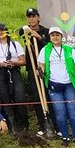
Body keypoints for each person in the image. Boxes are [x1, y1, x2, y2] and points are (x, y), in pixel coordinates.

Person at [40, 26, 75, 146]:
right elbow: (41, 65)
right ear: (50, 37)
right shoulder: (45, 50)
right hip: (54, 85)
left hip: (69, 84)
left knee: (73, 111)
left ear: (61, 37)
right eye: (52, 35)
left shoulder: (70, 50)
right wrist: (40, 71)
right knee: (60, 112)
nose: (55, 37)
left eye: (57, 35)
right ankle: (65, 137)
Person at [0, 23, 27, 132]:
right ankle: (11, 124)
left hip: (14, 70)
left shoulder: (15, 44)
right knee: (5, 98)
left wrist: (14, 62)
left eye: (2, 30)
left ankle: (23, 123)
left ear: (6, 31)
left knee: (19, 96)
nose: (0, 32)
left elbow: (23, 61)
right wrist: (1, 64)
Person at [22, 8, 51, 136]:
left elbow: (50, 46)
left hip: (45, 68)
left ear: (38, 17)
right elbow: (22, 32)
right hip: (32, 67)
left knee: (48, 94)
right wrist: (29, 32)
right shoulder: (24, 31)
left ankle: (53, 123)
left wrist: (39, 37)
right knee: (36, 95)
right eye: (29, 17)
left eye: (34, 16)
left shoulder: (46, 31)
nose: (31, 19)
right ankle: (42, 124)